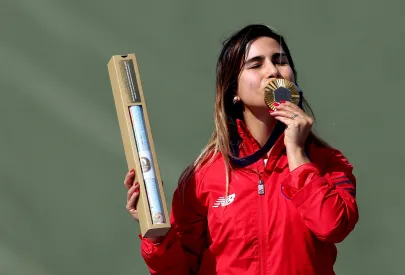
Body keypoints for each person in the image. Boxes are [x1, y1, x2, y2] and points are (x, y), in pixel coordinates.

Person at [123, 24, 359, 275]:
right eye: (256, 64)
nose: (272, 71)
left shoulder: (326, 162)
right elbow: (180, 270)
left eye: (280, 61)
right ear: (234, 90)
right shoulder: (203, 176)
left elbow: (332, 227)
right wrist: (155, 233)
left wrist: (297, 154)